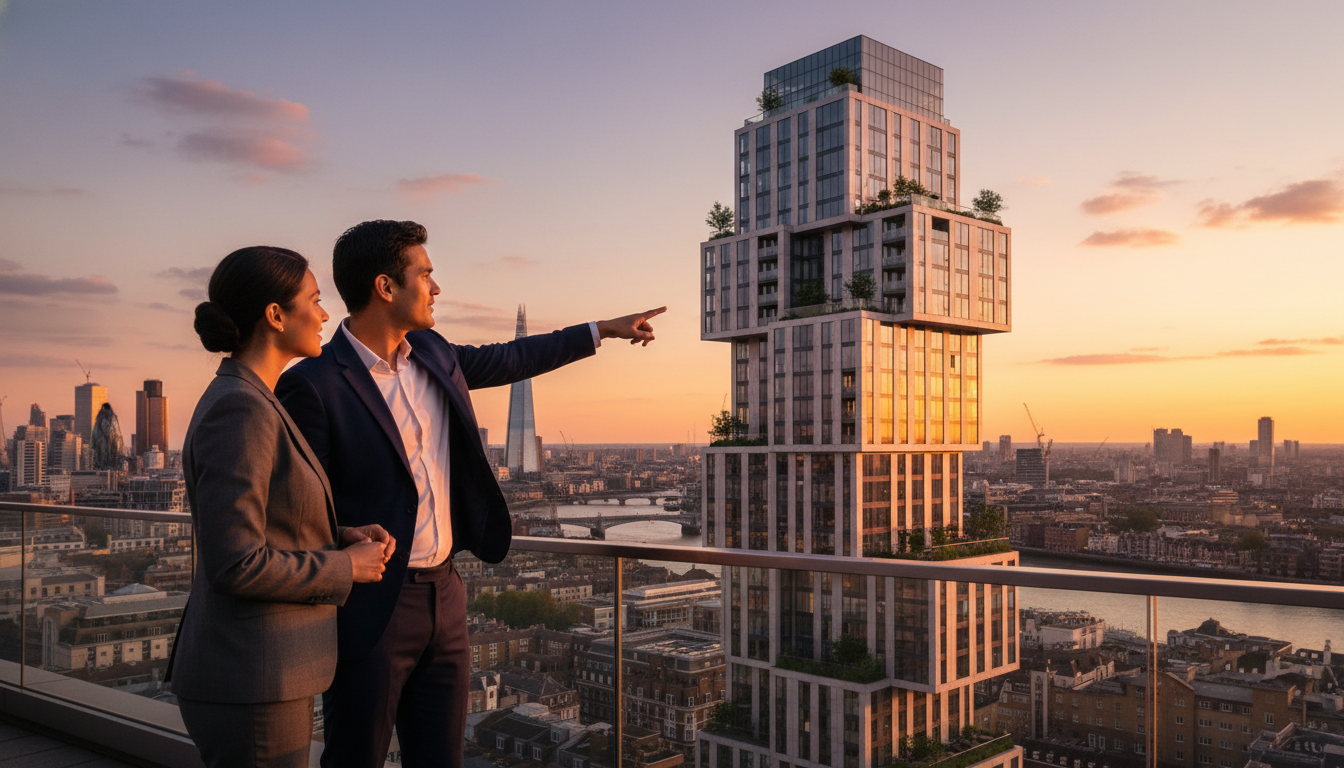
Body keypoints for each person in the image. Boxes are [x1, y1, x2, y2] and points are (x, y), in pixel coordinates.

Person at [275, 220, 663, 768]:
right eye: (426, 274)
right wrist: (342, 538)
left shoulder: (434, 352)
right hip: (372, 601)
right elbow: (295, 508)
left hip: (449, 593)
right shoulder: (314, 382)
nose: (436, 288)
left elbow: (515, 358)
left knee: (442, 758)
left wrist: (603, 329)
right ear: (386, 287)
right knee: (356, 755)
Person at [173, 245, 397, 768]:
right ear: (275, 316)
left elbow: (267, 520)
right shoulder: (241, 408)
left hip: (263, 671)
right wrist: (346, 567)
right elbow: (236, 563)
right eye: (315, 301)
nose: (324, 315)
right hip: (251, 677)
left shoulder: (258, 397)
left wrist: (336, 534)